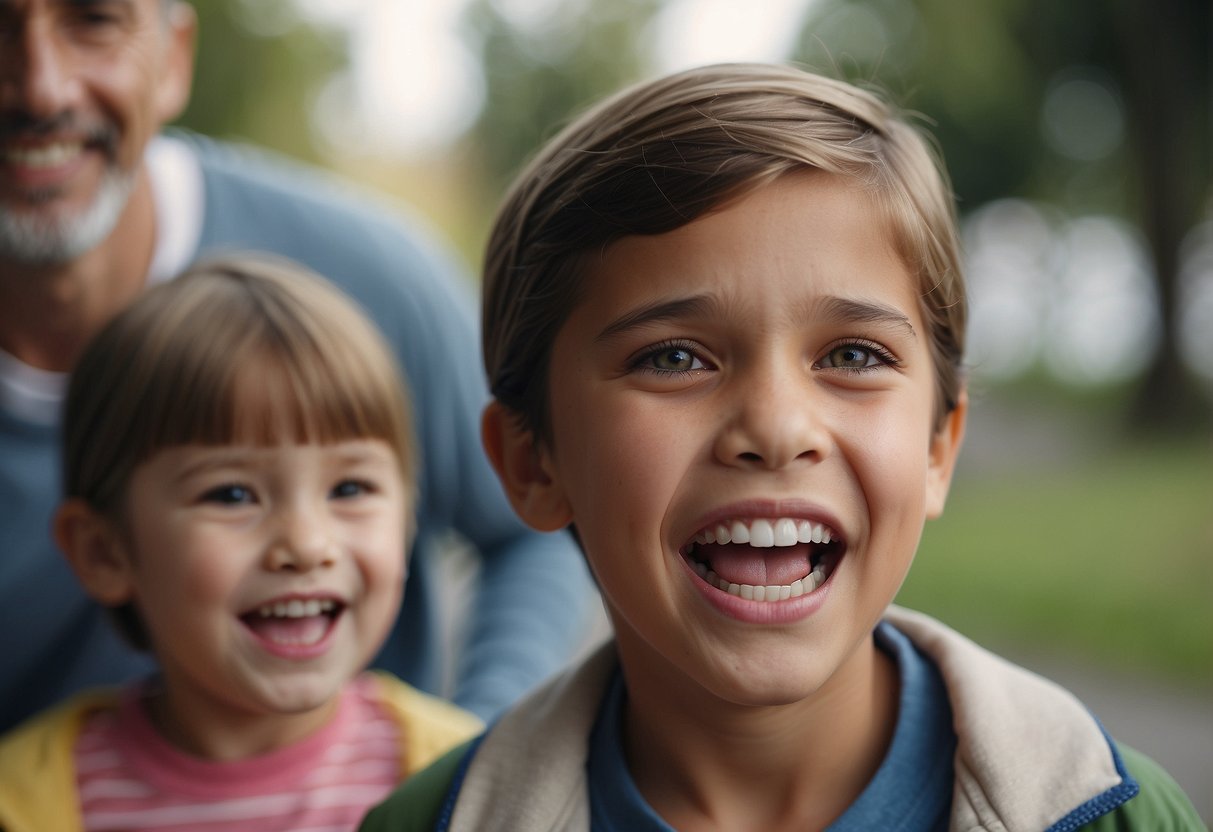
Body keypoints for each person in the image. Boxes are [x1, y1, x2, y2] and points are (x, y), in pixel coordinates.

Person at [359, 63, 1203, 831]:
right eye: (673, 358)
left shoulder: (1118, 817)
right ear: (531, 462)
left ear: (939, 446)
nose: (774, 428)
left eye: (851, 356)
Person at [0, 0, 590, 730]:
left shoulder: (365, 279)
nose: (39, 88)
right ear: (96, 547)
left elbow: (534, 523)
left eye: (92, 20)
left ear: (173, 58)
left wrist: (475, 761)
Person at [0, 256, 484, 831]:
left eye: (350, 488)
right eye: (232, 495)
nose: (306, 545)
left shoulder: (468, 783)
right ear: (105, 551)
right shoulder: (26, 801)